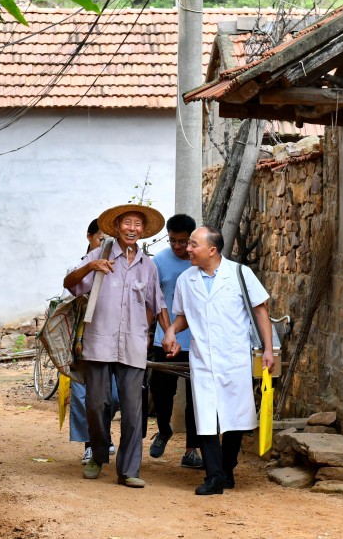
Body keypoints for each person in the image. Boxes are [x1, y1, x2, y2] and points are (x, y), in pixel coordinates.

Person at [163, 225, 275, 495]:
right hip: (202, 360)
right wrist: (171, 331)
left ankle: (227, 469)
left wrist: (269, 350)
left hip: (234, 358)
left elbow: (260, 312)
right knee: (206, 419)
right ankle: (214, 476)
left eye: (193, 245)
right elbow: (183, 316)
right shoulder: (186, 280)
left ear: (211, 250)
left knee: (235, 418)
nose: (187, 249)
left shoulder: (239, 274)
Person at [63, 204, 168, 489]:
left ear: (143, 231)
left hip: (134, 344)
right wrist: (90, 266)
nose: (132, 229)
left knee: (134, 410)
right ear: (118, 226)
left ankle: (129, 469)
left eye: (137, 224)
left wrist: (167, 332)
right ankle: (97, 454)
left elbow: (156, 303)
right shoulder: (100, 254)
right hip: (99, 342)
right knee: (98, 405)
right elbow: (70, 284)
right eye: (127, 223)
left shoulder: (148, 266)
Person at [149, 214, 203, 469]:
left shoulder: (201, 261)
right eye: (173, 241)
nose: (178, 246)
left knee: (197, 398)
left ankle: (191, 450)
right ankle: (163, 430)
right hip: (166, 341)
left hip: (198, 343)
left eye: (183, 241)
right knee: (161, 392)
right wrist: (168, 332)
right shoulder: (159, 261)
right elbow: (156, 300)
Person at [70, 220, 119, 464]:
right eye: (101, 239)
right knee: (84, 395)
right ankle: (91, 444)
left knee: (114, 395)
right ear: (90, 237)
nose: (106, 245)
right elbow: (70, 288)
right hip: (84, 340)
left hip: (115, 339)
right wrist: (90, 267)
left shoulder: (122, 263)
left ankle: (103, 437)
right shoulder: (85, 263)